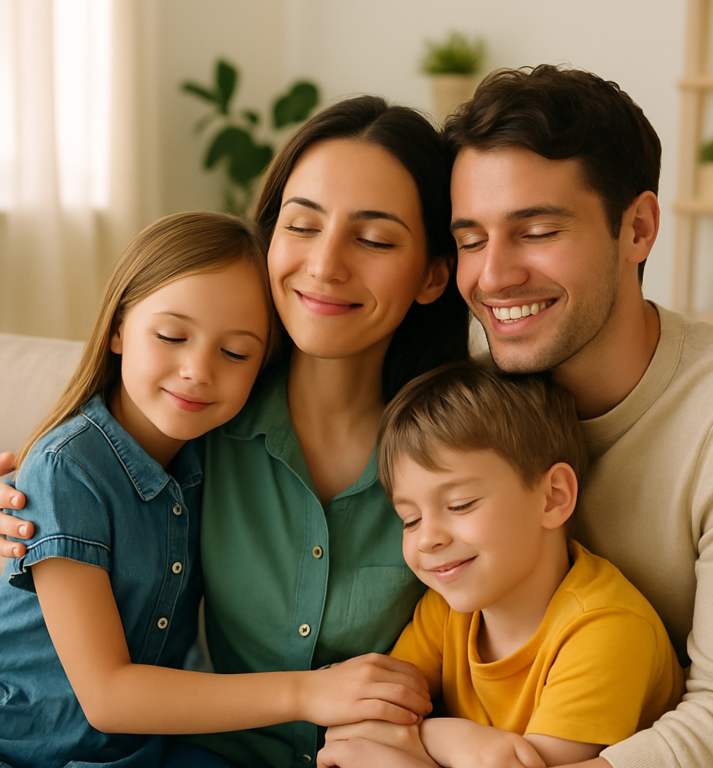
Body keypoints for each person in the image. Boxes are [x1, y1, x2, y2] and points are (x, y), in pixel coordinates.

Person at [0, 96, 469, 767]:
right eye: (301, 225)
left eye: (373, 239)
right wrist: (25, 506)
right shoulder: (196, 417)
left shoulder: (465, 446)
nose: (326, 265)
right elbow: (85, 454)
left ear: (432, 274)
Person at [441, 65, 713, 767]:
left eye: (535, 230)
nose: (492, 277)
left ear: (639, 229)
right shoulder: (460, 381)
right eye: (471, 239)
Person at [317, 362, 683, 768]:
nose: (427, 538)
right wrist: (456, 740)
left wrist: (407, 748)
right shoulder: (445, 607)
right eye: (410, 519)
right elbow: (359, 721)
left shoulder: (608, 628)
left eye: (459, 505)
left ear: (553, 498)